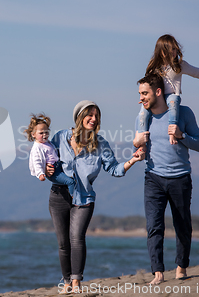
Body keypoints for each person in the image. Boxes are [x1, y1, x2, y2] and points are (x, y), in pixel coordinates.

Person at [46, 101, 145, 294]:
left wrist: (133, 159)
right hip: (58, 195)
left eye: (96, 115)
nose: (93, 119)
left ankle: (76, 283)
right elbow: (47, 158)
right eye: (89, 115)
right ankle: (66, 282)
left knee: (76, 237)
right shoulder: (60, 137)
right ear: (79, 117)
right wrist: (46, 168)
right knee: (63, 242)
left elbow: (115, 169)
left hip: (84, 198)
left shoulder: (101, 144)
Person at [133, 74, 199, 285]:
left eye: (144, 93)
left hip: (180, 177)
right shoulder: (142, 118)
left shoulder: (184, 113)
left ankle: (181, 268)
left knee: (182, 224)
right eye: (139, 94)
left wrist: (181, 135)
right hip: (153, 177)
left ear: (157, 92)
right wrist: (136, 146)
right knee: (154, 226)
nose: (141, 99)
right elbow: (139, 148)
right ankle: (158, 273)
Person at [137, 34, 199, 146]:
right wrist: (145, 98)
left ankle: (172, 131)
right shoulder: (154, 66)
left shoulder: (179, 65)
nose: (173, 52)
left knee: (174, 102)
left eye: (174, 48)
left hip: (171, 94)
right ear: (162, 52)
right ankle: (141, 138)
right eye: (170, 49)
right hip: (156, 96)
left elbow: (196, 72)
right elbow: (147, 84)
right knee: (142, 113)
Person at [25, 113, 76, 195]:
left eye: (46, 132)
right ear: (33, 134)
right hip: (53, 172)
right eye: (41, 133)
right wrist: (40, 173)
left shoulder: (48, 143)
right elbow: (36, 162)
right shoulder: (37, 148)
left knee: (74, 178)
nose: (44, 135)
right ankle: (75, 199)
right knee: (70, 182)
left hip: (58, 166)